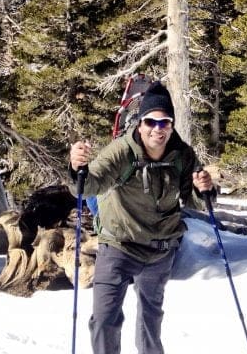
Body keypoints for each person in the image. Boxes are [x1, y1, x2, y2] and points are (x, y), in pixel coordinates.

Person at [69, 81, 214, 354]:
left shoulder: (182, 155)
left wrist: (203, 188)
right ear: (139, 123)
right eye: (151, 122)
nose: (157, 129)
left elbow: (194, 200)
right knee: (104, 320)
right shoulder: (121, 151)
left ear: (171, 124)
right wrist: (77, 168)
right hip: (118, 247)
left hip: (160, 252)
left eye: (164, 122)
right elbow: (89, 186)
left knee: (150, 322)